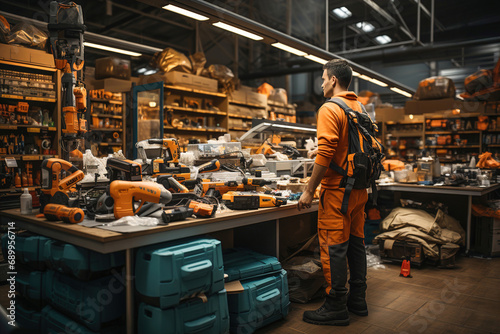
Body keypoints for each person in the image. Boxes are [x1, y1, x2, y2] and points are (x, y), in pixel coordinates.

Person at [297, 59, 369, 326]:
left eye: (323, 78)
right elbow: (350, 147)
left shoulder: (329, 108)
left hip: (338, 192)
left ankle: (336, 305)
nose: (322, 83)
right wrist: (325, 153)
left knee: (333, 247)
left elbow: (327, 151)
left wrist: (308, 190)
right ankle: (357, 300)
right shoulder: (359, 108)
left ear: (334, 80)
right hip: (359, 190)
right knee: (355, 244)